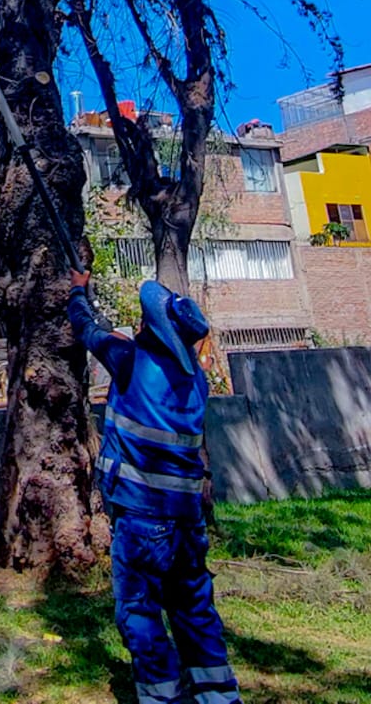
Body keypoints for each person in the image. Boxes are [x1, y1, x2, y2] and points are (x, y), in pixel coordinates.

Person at [68, 262, 241, 704]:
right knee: (193, 609)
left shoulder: (129, 361)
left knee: (140, 612)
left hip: (143, 519)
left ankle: (162, 696)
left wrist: (78, 291)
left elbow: (88, 332)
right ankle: (218, 696)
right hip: (186, 522)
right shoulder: (194, 380)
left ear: (153, 328)